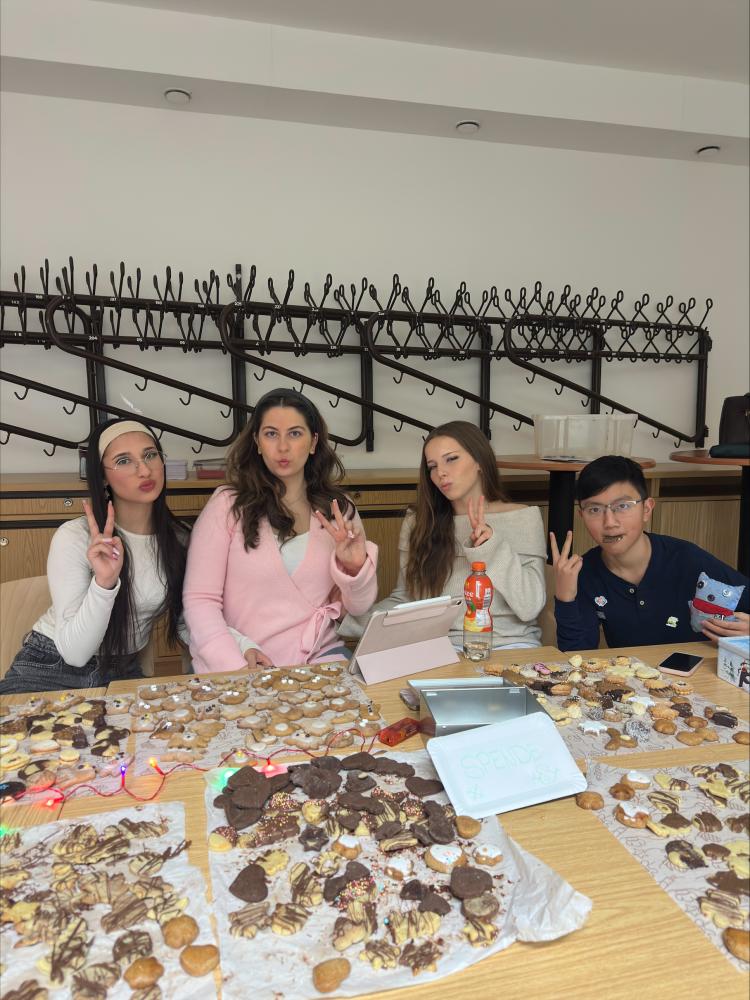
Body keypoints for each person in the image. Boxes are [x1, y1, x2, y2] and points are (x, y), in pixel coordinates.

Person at [182, 389, 378, 671]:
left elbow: (358, 607)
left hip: (319, 659)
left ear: (313, 442)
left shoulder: (339, 509)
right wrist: (236, 666)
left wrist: (355, 568)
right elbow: (200, 601)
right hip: (241, 660)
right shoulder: (227, 505)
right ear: (257, 442)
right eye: (271, 434)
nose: (283, 447)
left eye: (295, 434)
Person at [0, 418, 188, 694]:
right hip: (50, 667)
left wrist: (242, 646)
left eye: (150, 455)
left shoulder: (180, 540)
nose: (145, 470)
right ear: (102, 477)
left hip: (123, 671)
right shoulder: (74, 536)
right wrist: (104, 583)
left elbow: (191, 621)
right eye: (124, 461)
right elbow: (75, 654)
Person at [340, 421, 547, 649]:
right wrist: (345, 617)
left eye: (451, 459)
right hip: (440, 648)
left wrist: (490, 547)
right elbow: (405, 599)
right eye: (432, 466)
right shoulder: (419, 522)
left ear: (479, 460)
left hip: (512, 645)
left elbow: (529, 606)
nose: (441, 473)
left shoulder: (522, 517)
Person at [552, 454, 750, 651]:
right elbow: (577, 656)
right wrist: (565, 598)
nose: (609, 522)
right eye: (594, 510)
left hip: (702, 668)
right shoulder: (584, 573)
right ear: (581, 515)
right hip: (632, 670)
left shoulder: (685, 558)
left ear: (646, 509)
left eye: (622, 506)